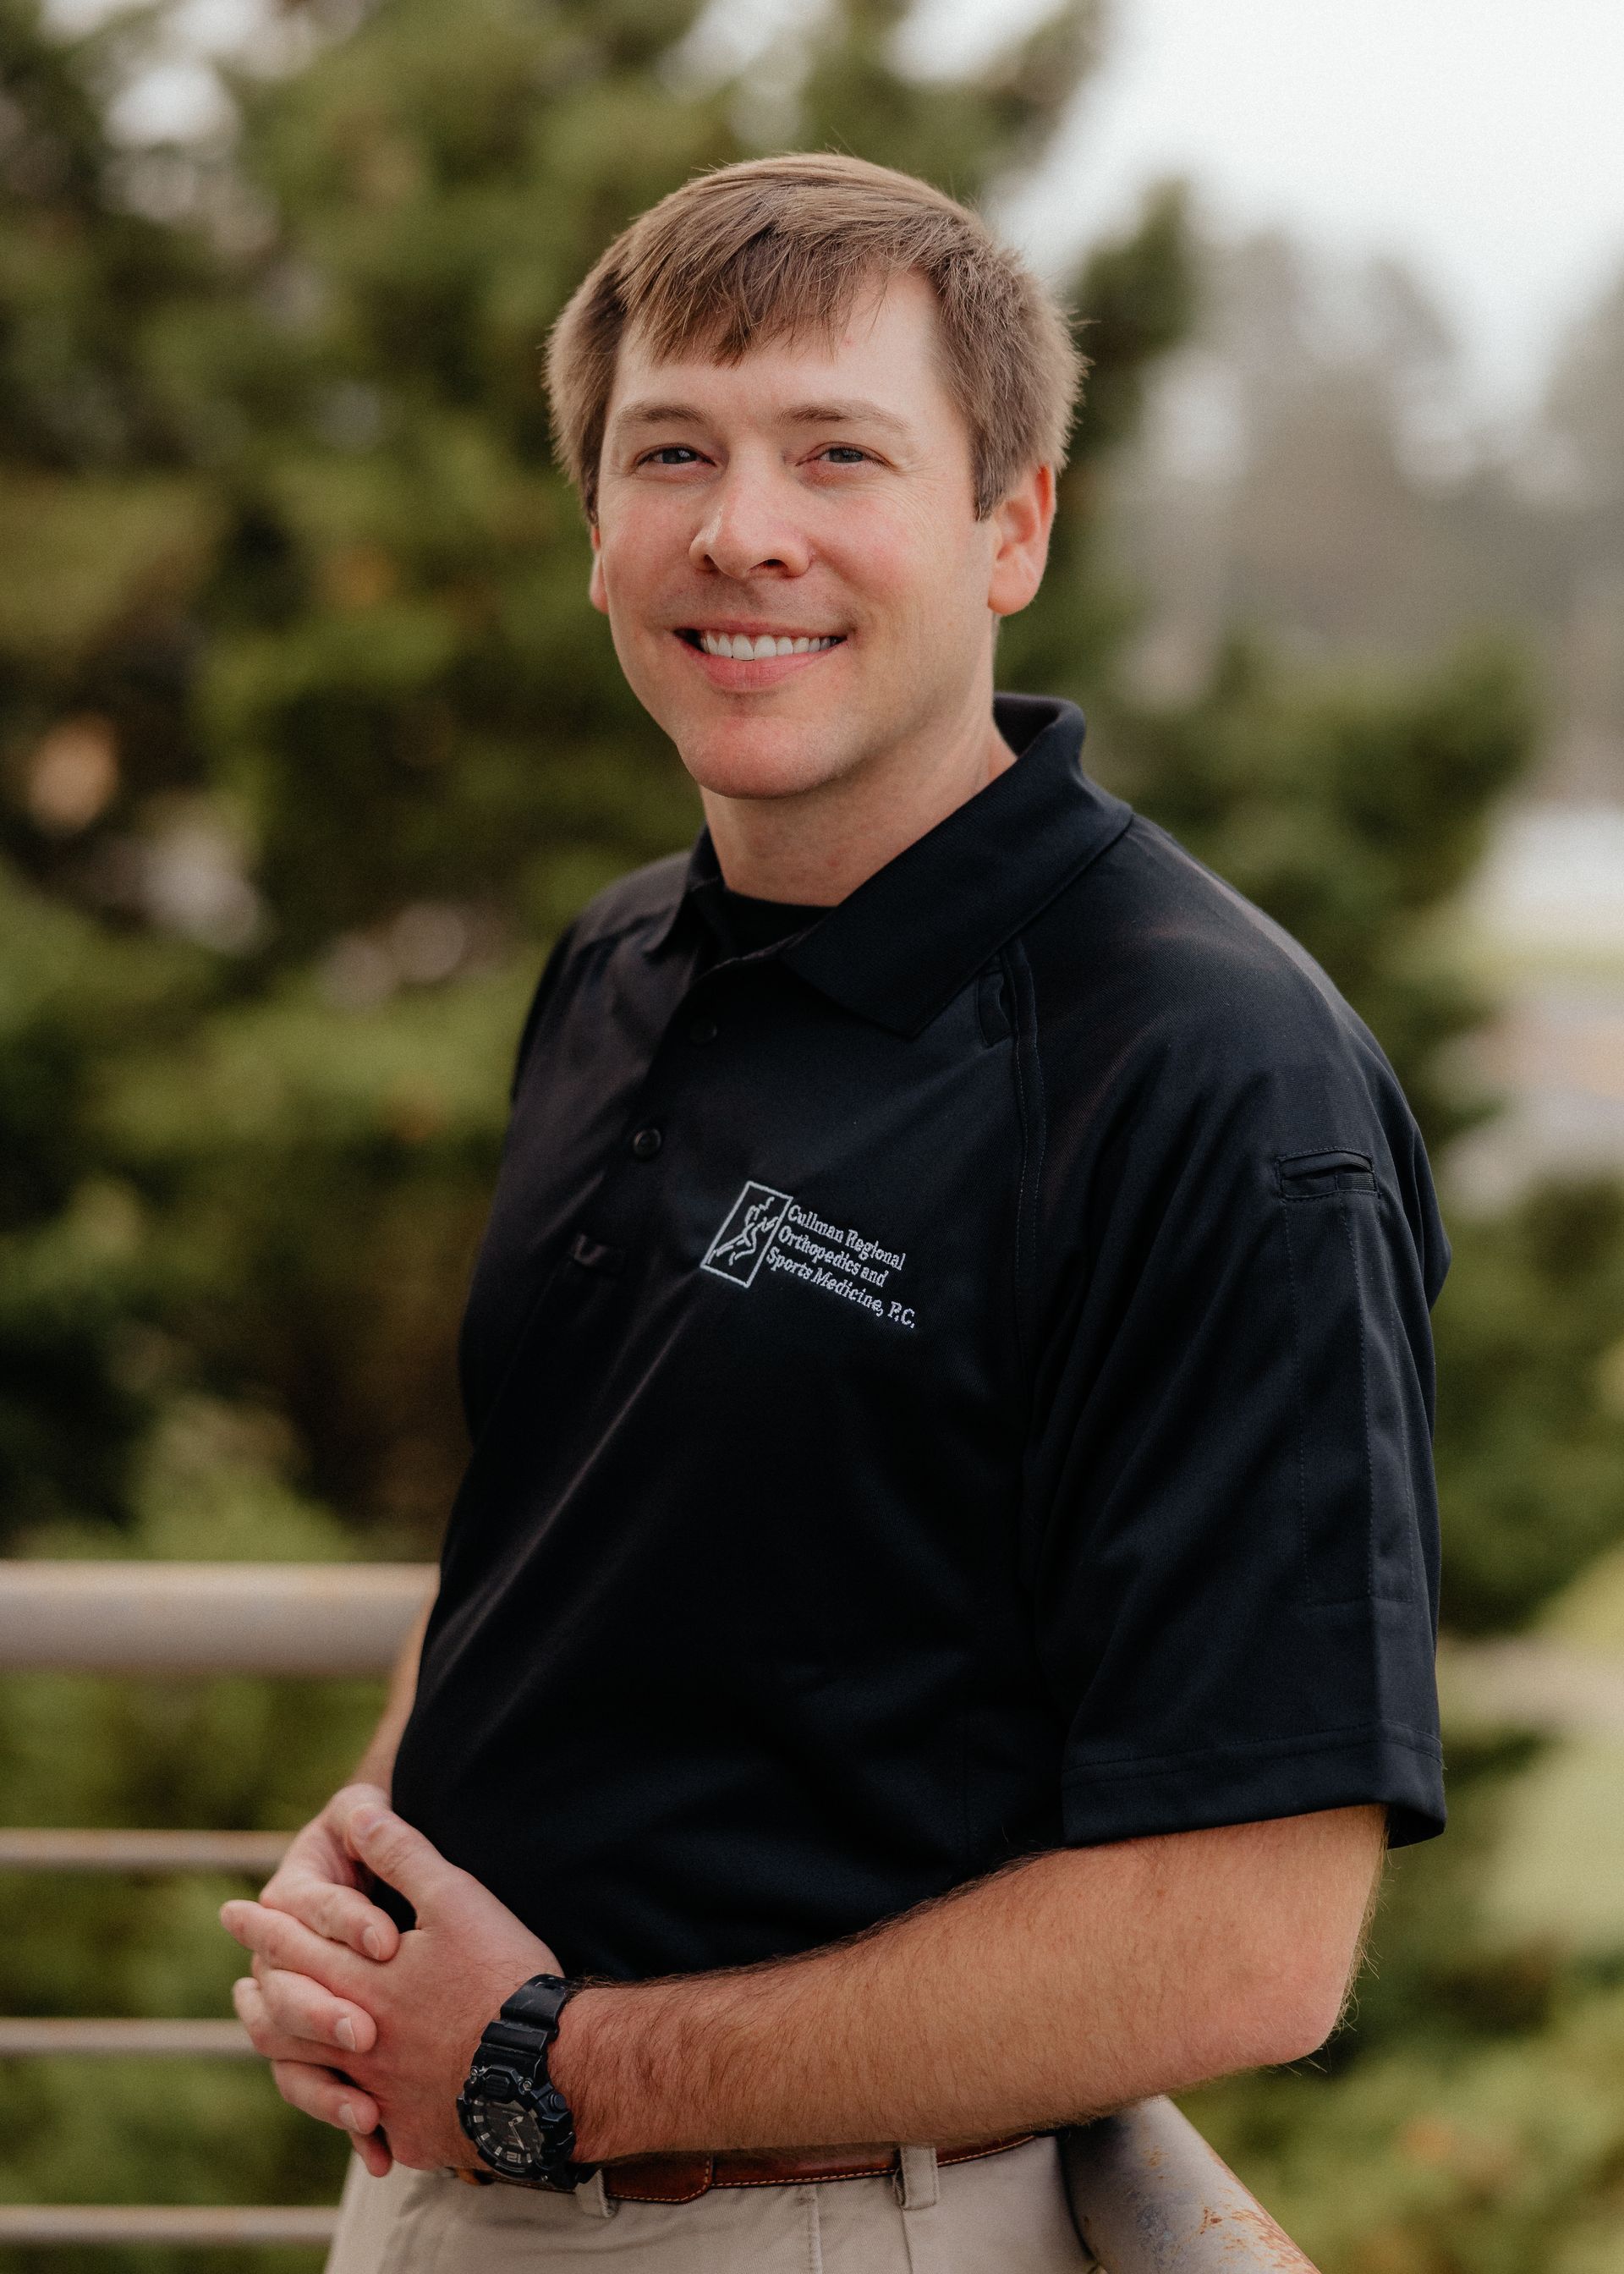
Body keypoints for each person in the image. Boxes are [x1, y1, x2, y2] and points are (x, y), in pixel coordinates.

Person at [222, 151, 1449, 2274]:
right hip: (441, 2193)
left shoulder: (1211, 1079)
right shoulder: (617, 963)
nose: (742, 529)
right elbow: (576, 1501)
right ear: (593, 531)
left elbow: (1250, 1947)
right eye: (669, 451)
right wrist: (375, 1859)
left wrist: (550, 2060)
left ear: (1012, 526)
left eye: (838, 453)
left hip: (810, 2225)